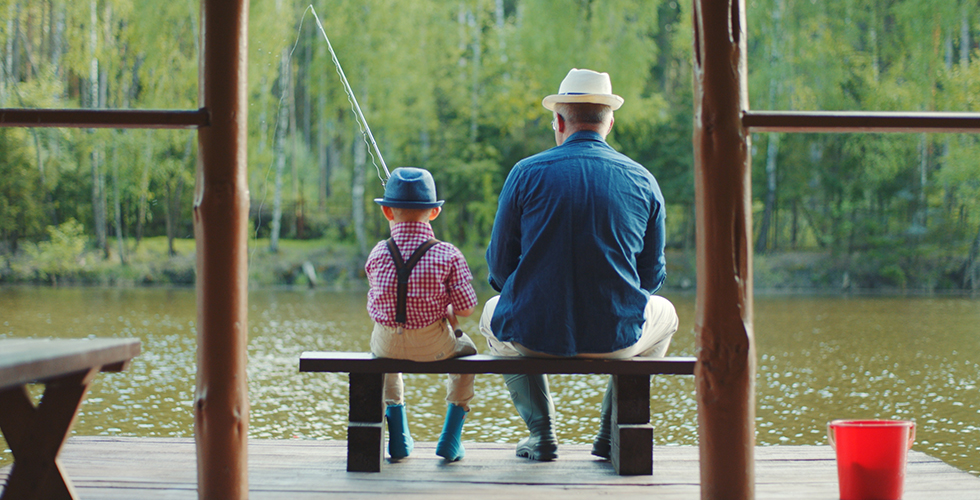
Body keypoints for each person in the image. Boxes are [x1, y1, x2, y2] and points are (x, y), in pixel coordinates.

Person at [480, 68, 679, 462]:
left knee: (491, 314)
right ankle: (611, 433)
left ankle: (541, 434)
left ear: (558, 120)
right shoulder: (643, 180)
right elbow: (651, 278)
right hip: (617, 340)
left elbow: (500, 273)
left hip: (532, 338)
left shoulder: (524, 174)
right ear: (610, 121)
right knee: (666, 315)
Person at [365, 167, 480, 462]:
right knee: (468, 354)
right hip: (434, 347)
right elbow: (466, 310)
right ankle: (451, 438)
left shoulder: (378, 252)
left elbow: (379, 302)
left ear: (387, 212)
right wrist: (448, 309)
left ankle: (399, 436)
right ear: (434, 213)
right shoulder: (448, 254)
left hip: (386, 345)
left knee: (387, 355)